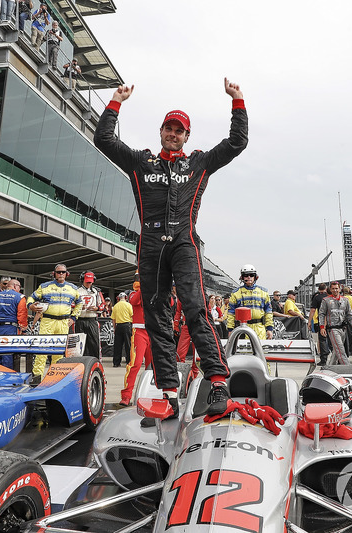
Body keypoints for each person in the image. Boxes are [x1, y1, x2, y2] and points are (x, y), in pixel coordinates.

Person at [93, 77, 248, 417]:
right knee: (157, 317)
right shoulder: (140, 161)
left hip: (184, 239)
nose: (173, 134)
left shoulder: (199, 163)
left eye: (180, 130)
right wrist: (115, 102)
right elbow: (103, 138)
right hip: (149, 243)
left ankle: (218, 381)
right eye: (169, 128)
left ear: (187, 136)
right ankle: (168, 392)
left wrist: (237, 101)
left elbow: (237, 142)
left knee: (195, 309)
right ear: (161, 131)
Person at [27, 264, 82, 375]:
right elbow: (31, 297)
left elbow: (79, 303)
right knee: (42, 349)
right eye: (58, 272)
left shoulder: (73, 288)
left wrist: (74, 318)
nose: (60, 274)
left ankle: (56, 377)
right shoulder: (44, 286)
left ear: (67, 274)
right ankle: (37, 377)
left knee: (59, 352)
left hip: (63, 323)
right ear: (54, 274)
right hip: (47, 321)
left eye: (63, 272)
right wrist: (31, 306)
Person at [120, 279, 151, 406]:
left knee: (152, 367)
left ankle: (151, 394)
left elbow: (170, 302)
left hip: (154, 332)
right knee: (135, 364)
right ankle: (126, 396)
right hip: (139, 332)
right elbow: (134, 301)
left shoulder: (156, 290)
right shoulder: (133, 293)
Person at [226, 265, 273, 340]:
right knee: (244, 351)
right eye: (246, 275)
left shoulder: (263, 292)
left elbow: (268, 312)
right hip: (242, 328)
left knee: (261, 350)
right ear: (242, 277)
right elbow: (231, 313)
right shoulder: (235, 293)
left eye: (251, 275)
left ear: (255, 277)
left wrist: (269, 329)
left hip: (260, 328)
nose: (249, 277)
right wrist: (230, 330)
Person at [318, 281, 352, 366]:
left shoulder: (345, 300)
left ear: (340, 289)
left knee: (336, 351)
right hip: (332, 329)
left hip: (343, 329)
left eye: (336, 288)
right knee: (340, 349)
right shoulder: (326, 300)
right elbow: (321, 314)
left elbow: (349, 314)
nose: (335, 290)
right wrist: (322, 327)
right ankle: (348, 368)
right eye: (333, 288)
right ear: (330, 289)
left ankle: (329, 367)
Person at [75, 271, 104, 359]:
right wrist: (79, 307)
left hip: (92, 320)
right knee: (80, 345)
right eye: (87, 281)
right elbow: (71, 304)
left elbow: (103, 305)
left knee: (94, 343)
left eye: (90, 282)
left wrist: (97, 308)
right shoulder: (77, 291)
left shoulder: (96, 291)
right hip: (80, 320)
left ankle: (96, 362)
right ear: (82, 280)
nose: (89, 283)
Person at [309, 283, 331, 359]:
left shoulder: (317, 297)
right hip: (331, 320)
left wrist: (309, 322)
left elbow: (312, 310)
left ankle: (322, 354)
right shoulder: (329, 297)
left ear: (318, 289)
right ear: (326, 289)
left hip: (321, 320)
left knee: (321, 339)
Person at [111, 292, 132, 368]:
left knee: (117, 345)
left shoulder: (115, 306)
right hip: (127, 325)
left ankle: (116, 362)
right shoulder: (128, 305)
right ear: (126, 298)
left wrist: (114, 328)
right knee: (128, 345)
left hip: (118, 326)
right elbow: (132, 315)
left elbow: (113, 319)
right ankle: (129, 361)